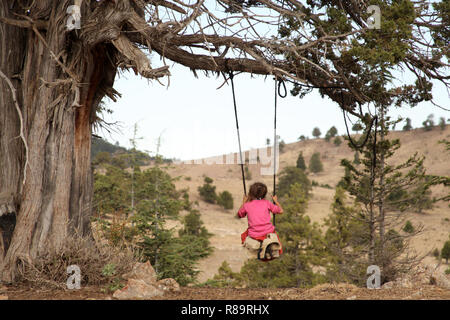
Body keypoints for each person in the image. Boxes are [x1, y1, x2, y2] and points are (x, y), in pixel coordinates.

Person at [237, 182, 283, 260]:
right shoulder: (267, 203)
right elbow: (281, 211)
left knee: (245, 235)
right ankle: (269, 249)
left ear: (251, 193)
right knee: (273, 232)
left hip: (254, 234)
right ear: (264, 194)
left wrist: (244, 202)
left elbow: (239, 214)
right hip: (268, 232)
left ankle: (257, 249)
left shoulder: (247, 205)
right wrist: (275, 201)